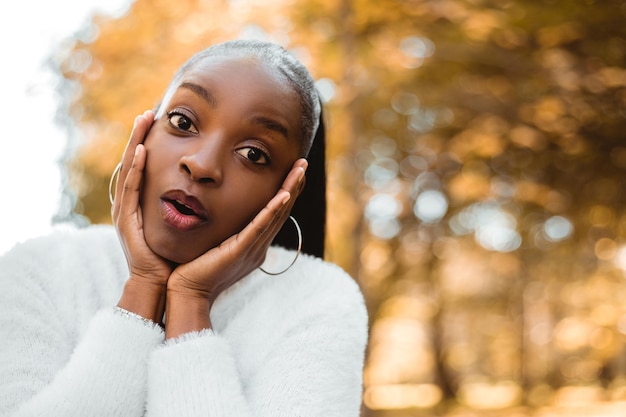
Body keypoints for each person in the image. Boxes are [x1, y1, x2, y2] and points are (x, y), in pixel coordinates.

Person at [0, 39, 368, 417]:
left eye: (253, 154)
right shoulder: (36, 270)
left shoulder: (319, 300)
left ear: (287, 191)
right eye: (182, 122)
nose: (202, 164)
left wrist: (191, 304)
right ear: (144, 132)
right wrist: (142, 290)